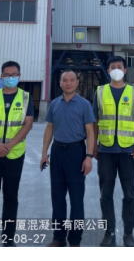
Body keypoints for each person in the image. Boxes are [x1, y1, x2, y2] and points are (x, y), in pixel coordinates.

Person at [0, 60, 34, 247]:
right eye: (7, 75)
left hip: (14, 156)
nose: (11, 78)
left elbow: (28, 124)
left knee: (11, 199)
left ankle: (8, 240)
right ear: (2, 77)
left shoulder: (26, 97)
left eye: (14, 75)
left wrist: (8, 146)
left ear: (19, 76)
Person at [93, 56, 134, 247]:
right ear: (108, 71)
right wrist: (93, 146)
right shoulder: (100, 92)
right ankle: (109, 233)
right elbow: (95, 121)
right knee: (105, 194)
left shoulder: (133, 92)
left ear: (125, 70)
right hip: (105, 151)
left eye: (119, 67)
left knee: (129, 194)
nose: (116, 69)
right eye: (113, 67)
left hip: (128, 150)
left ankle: (128, 234)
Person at [40, 70, 95, 247]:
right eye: (65, 80)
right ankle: (59, 237)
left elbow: (90, 131)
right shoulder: (55, 104)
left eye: (72, 80)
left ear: (77, 82)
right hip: (57, 152)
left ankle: (75, 240)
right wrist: (44, 152)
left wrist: (89, 156)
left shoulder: (84, 105)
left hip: (76, 153)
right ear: (60, 82)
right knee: (57, 198)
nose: (68, 83)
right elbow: (50, 127)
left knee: (76, 200)